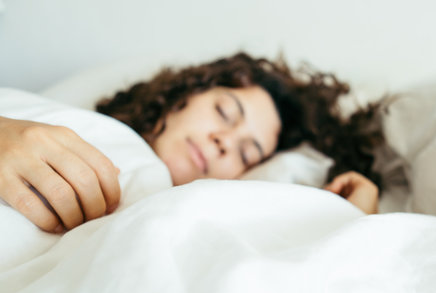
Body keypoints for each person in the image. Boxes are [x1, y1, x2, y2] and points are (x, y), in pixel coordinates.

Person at [0, 52, 392, 233]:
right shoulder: (50, 118)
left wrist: (354, 224)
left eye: (246, 152)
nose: (224, 141)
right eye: (224, 112)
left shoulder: (211, 221)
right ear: (182, 94)